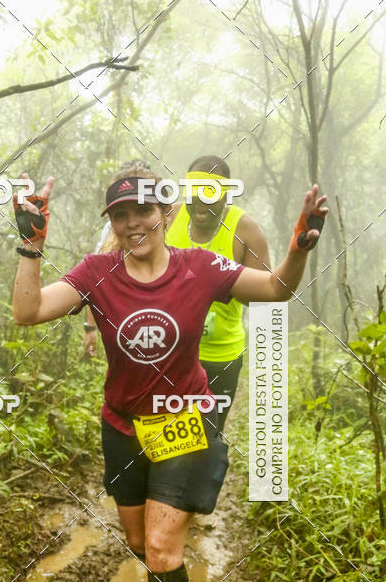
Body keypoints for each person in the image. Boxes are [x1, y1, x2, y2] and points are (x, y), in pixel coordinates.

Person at [12, 166, 327, 582]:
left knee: (160, 549)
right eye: (121, 215)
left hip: (184, 423)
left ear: (166, 213)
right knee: (140, 546)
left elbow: (276, 289)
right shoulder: (97, 271)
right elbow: (28, 312)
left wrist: (298, 247)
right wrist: (29, 246)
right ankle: (170, 580)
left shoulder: (200, 267)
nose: (134, 224)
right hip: (124, 427)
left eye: (143, 211)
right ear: (112, 223)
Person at [84, 155, 270, 432]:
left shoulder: (246, 230)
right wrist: (92, 324)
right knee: (156, 432)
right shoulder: (167, 216)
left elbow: (265, 295)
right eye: (195, 190)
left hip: (220, 354)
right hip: (168, 351)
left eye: (211, 192)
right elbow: (110, 265)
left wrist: (218, 285)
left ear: (227, 194)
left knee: (208, 436)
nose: (202, 200)